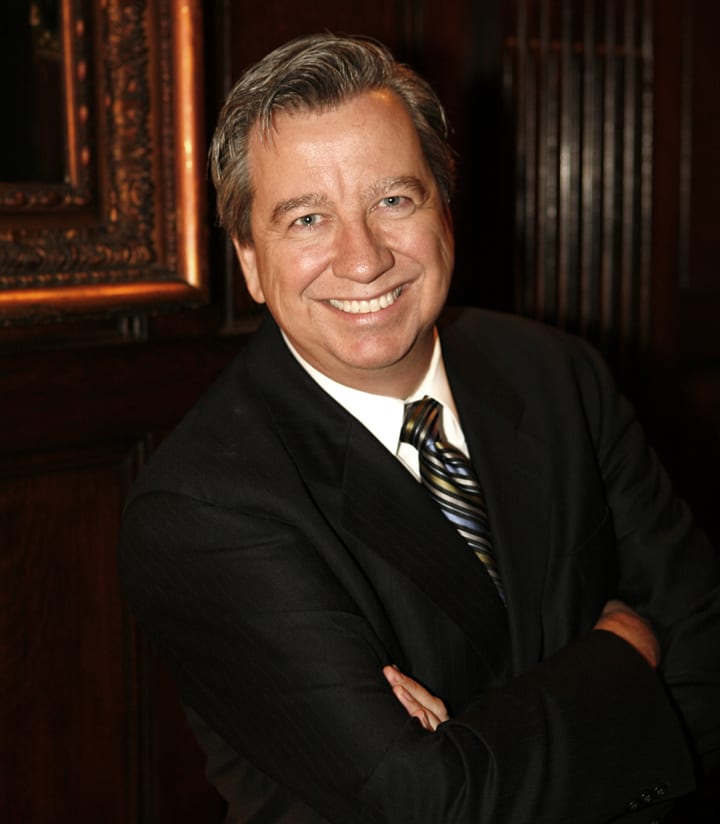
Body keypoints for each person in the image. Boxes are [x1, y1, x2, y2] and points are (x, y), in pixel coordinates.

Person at [118, 33, 720, 822]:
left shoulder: (556, 371)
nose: (363, 258)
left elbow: (704, 647)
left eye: (393, 201)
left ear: (444, 210)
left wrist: (471, 742)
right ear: (251, 262)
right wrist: (621, 654)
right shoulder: (200, 509)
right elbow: (429, 803)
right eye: (307, 219)